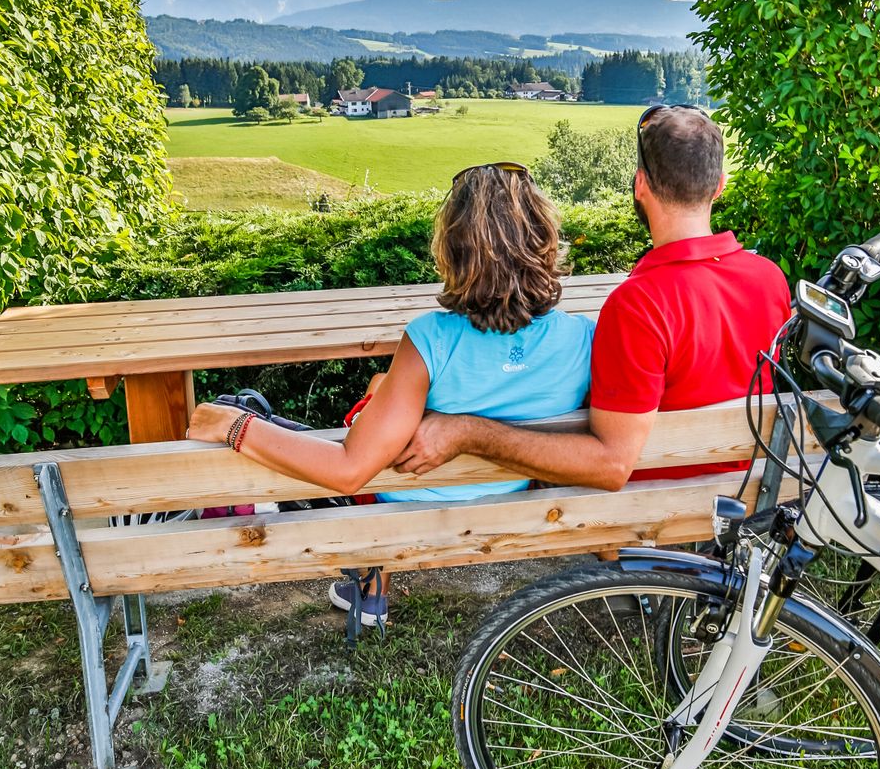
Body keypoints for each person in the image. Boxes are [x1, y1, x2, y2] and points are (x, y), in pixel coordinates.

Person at [186, 162, 593, 631]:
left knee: (293, 424)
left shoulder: (430, 339)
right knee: (381, 398)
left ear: (454, 250)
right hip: (513, 500)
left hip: (402, 513)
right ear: (543, 238)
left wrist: (234, 426)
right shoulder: (583, 338)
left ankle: (372, 585)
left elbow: (347, 471)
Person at [394, 105, 791, 491]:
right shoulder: (770, 278)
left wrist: (468, 431)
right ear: (719, 184)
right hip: (746, 495)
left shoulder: (639, 305)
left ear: (640, 185)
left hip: (653, 510)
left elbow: (611, 465)